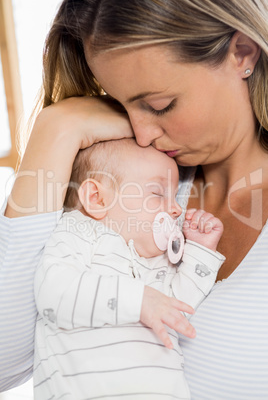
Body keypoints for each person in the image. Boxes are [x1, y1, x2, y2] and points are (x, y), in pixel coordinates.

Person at [0, 0, 267, 398]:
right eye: (120, 102)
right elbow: (6, 364)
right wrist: (58, 129)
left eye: (159, 105)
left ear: (242, 53)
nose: (141, 134)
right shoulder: (130, 181)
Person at [34, 137, 224, 399]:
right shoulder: (80, 232)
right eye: (158, 193)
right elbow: (53, 293)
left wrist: (201, 250)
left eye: (175, 195)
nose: (177, 209)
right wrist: (138, 299)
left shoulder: (159, 260)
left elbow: (179, 309)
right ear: (97, 198)